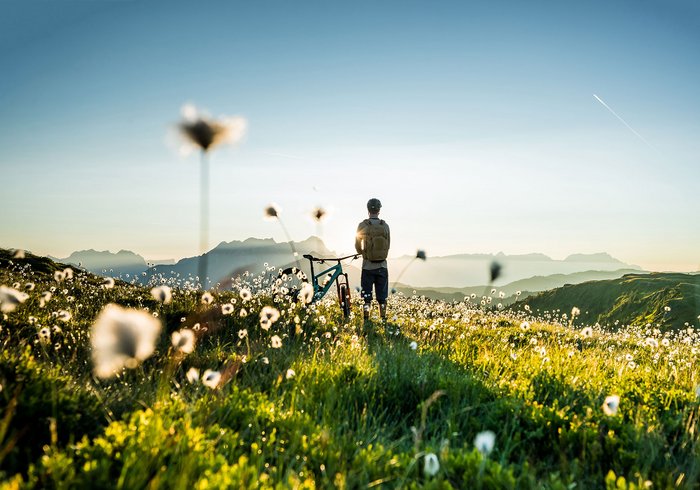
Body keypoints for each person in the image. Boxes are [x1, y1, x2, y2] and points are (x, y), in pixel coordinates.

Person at [355, 198, 390, 322]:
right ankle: (384, 319)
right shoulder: (385, 226)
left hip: (367, 266)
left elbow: (357, 246)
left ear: (368, 209)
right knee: (382, 297)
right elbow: (388, 245)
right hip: (382, 266)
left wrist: (364, 254)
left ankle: (366, 320)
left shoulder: (363, 225)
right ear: (379, 210)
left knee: (367, 297)